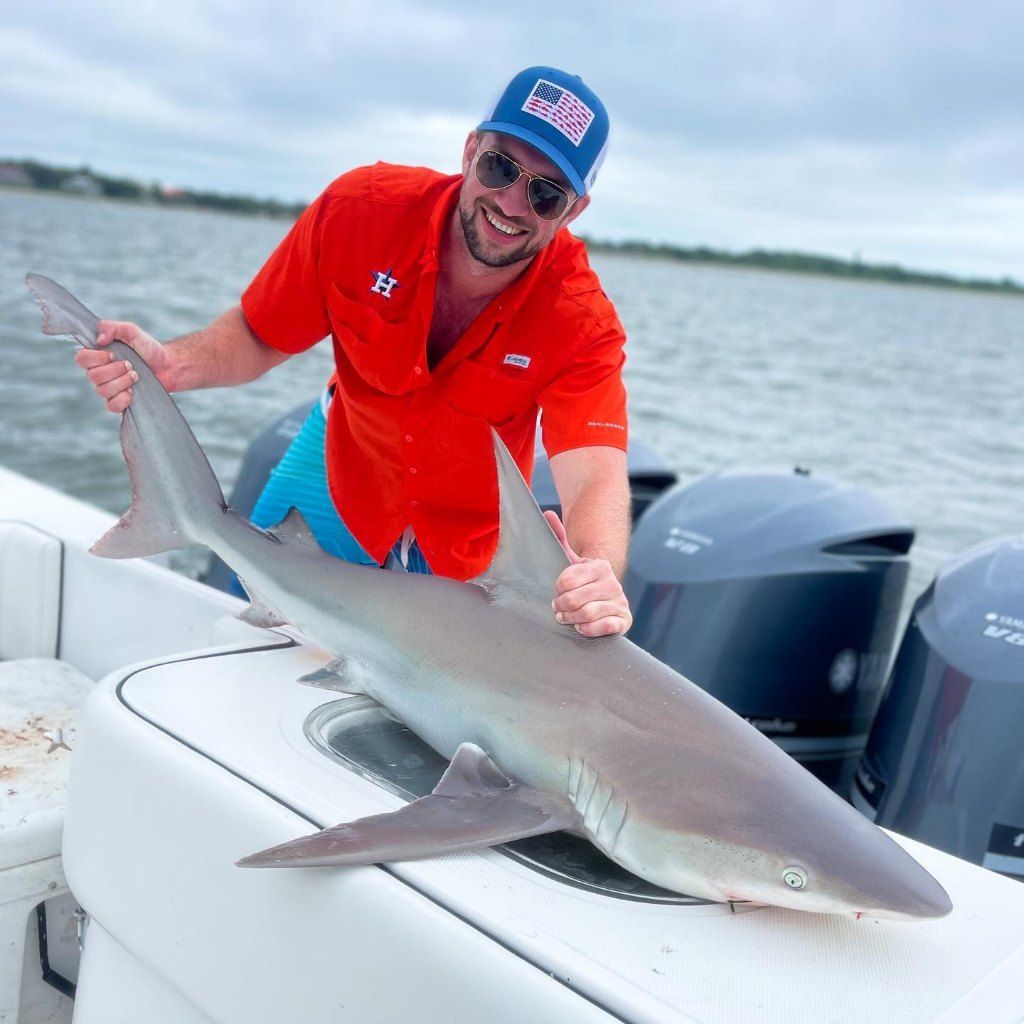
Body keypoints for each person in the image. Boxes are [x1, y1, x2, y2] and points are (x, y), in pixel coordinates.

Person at [75, 67, 633, 636]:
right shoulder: (359, 211)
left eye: (545, 194)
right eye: (500, 167)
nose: (512, 203)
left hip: (467, 539)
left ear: (574, 211)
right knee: (237, 633)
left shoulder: (581, 320)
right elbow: (261, 332)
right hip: (343, 472)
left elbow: (595, 477)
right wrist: (172, 364)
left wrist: (595, 571)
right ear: (470, 152)